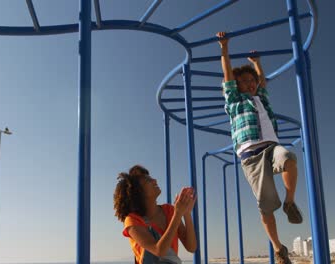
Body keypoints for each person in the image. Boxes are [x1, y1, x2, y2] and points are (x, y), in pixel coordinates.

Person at [216, 31, 303, 264]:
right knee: (265, 208)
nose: (249, 84)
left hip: (272, 147)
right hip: (250, 154)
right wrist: (224, 48)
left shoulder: (261, 98)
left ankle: (290, 201)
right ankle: (278, 248)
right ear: (236, 86)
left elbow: (262, 81)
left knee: (289, 158)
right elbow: (227, 75)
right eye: (243, 82)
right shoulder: (234, 100)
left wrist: (257, 64)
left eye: (251, 81)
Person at [114, 165, 197, 264]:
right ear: (138, 192)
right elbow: (159, 251)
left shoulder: (170, 211)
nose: (155, 180)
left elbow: (191, 247)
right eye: (148, 180)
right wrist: (178, 214)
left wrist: (186, 213)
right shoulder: (132, 220)